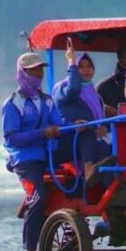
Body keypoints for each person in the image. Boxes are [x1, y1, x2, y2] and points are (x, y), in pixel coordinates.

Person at [2, 51, 74, 251]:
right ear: (22, 73)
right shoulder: (14, 103)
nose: (38, 74)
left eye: (40, 69)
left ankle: (72, 232)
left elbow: (59, 127)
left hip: (47, 157)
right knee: (38, 198)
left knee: (76, 186)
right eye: (33, 70)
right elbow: (11, 137)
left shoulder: (46, 100)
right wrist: (43, 134)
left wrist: (76, 126)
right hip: (24, 160)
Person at [52, 41, 113, 184]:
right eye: (81, 67)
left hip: (93, 140)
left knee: (110, 150)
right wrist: (72, 61)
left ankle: (110, 194)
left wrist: (104, 127)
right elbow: (73, 90)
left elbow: (100, 117)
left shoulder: (93, 93)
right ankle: (88, 168)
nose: (86, 70)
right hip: (70, 139)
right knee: (87, 130)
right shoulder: (62, 89)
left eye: (89, 66)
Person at [96, 43, 126, 117]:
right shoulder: (103, 86)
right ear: (120, 59)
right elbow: (93, 112)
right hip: (114, 127)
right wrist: (115, 113)